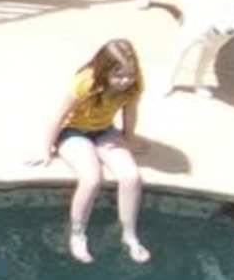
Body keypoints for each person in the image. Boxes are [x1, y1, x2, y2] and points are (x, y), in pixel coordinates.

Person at [31, 38, 151, 266]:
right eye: (119, 75)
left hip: (104, 130)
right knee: (91, 178)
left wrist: (129, 138)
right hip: (72, 132)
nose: (125, 81)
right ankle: (77, 234)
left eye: (130, 74)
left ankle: (129, 235)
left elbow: (130, 112)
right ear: (103, 71)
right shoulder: (85, 82)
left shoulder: (134, 84)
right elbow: (59, 116)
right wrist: (45, 149)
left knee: (131, 177)